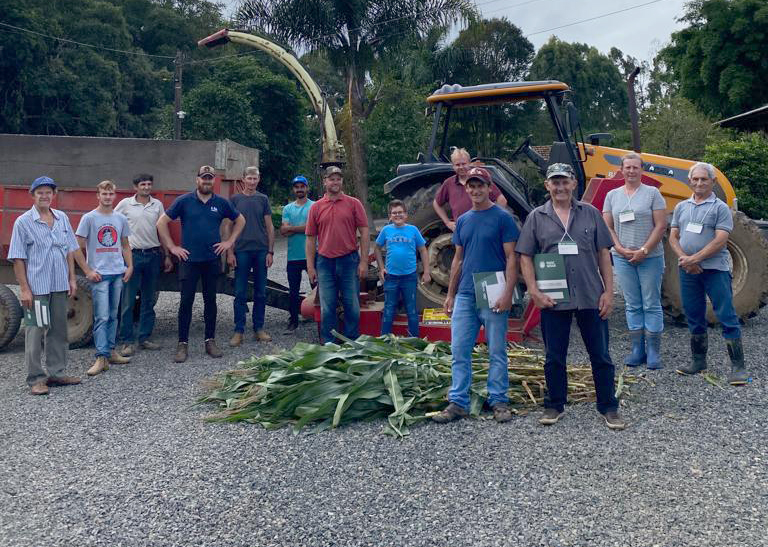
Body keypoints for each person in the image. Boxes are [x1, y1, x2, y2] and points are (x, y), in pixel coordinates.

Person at [517, 163, 626, 430]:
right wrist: (534, 291)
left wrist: (609, 292)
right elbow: (525, 256)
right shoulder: (536, 217)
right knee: (554, 355)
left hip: (590, 295)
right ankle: (554, 405)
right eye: (555, 182)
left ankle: (609, 407)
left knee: (600, 355)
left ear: (574, 183)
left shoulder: (590, 214)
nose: (560, 187)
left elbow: (603, 254)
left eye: (564, 181)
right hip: (553, 299)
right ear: (547, 186)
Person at [431, 167, 519, 424]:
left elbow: (512, 257)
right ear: (466, 188)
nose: (476, 190)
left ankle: (498, 400)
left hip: (493, 288)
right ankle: (458, 402)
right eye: (471, 185)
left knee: (496, 350)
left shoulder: (502, 218)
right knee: (460, 349)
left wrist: (507, 292)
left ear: (489, 188)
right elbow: (457, 259)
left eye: (480, 185)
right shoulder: (464, 220)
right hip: (467, 293)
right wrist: (450, 294)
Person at [8, 176, 95, 395]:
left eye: (48, 192)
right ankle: (36, 378)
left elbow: (69, 250)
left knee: (59, 329)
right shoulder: (24, 222)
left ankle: (56, 373)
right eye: (40, 193)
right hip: (36, 288)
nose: (45, 196)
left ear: (53, 195)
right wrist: (25, 289)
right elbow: (18, 259)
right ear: (33, 195)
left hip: (59, 285)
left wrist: (72, 279)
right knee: (35, 331)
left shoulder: (62, 218)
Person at [669, 162, 748, 385]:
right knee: (693, 314)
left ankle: (738, 367)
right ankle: (698, 361)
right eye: (696, 179)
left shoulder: (720, 208)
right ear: (690, 181)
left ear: (712, 181)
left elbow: (721, 239)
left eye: (704, 179)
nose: (699, 183)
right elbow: (673, 237)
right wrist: (686, 259)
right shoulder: (682, 207)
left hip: (715, 270)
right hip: (688, 270)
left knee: (726, 314)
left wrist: (696, 258)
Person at [157, 165, 245, 362]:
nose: (206, 181)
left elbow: (240, 220)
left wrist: (229, 242)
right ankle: (182, 344)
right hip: (189, 261)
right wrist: (172, 247)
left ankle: (210, 340)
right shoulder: (184, 201)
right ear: (197, 180)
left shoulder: (221, 203)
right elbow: (161, 223)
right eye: (203, 178)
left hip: (211, 260)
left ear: (214, 181)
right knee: (186, 302)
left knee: (210, 302)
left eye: (210, 178)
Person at [602, 152, 668, 369]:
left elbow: (661, 225)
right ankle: (637, 349)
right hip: (622, 257)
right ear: (621, 169)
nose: (631, 171)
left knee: (651, 302)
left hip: (650, 257)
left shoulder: (653, 194)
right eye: (627, 167)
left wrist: (644, 250)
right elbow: (608, 226)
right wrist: (618, 248)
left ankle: (653, 351)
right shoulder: (612, 195)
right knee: (632, 303)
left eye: (635, 167)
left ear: (642, 170)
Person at [305, 166, 369, 344]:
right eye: (331, 179)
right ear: (325, 182)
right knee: (328, 307)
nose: (335, 182)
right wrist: (310, 267)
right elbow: (310, 239)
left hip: (349, 260)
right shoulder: (316, 207)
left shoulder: (354, 203)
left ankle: (351, 341)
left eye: (338, 179)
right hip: (325, 262)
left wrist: (363, 262)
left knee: (352, 305)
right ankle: (329, 345)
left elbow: (364, 232)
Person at [75, 180, 134, 376]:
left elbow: (125, 245)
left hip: (117, 273)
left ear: (114, 196)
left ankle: (110, 351)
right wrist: (87, 270)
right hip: (99, 275)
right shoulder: (89, 218)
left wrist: (129, 266)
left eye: (111, 194)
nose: (108, 197)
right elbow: (76, 247)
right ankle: (100, 357)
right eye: (104, 194)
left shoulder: (120, 218)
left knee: (113, 315)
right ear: (98, 196)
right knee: (101, 317)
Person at [115, 173, 172, 356]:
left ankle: (145, 338)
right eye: (143, 184)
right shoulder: (125, 204)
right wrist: (118, 252)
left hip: (153, 255)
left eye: (149, 184)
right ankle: (127, 341)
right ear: (135, 187)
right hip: (133, 256)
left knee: (148, 300)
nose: (146, 187)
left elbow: (162, 229)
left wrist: (167, 255)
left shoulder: (157, 205)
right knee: (128, 301)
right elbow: (112, 224)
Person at [226, 166, 275, 346]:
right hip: (241, 251)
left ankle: (259, 328)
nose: (252, 182)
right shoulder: (235, 199)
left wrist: (270, 251)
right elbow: (228, 227)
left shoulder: (263, 199)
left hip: (261, 250)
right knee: (239, 292)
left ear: (258, 179)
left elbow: (269, 227)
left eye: (255, 179)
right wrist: (229, 251)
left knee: (260, 292)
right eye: (249, 178)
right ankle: (239, 331)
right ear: (243, 179)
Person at [374, 200, 431, 337]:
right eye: (394, 213)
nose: (397, 215)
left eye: (400, 212)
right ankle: (385, 340)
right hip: (391, 277)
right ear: (390, 216)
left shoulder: (413, 230)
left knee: (411, 310)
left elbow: (423, 250)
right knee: (389, 309)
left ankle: (414, 340)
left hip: (409, 276)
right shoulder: (386, 230)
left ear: (406, 215)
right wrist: (381, 268)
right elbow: (377, 248)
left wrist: (427, 272)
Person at [432, 147, 507, 232]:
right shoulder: (449, 183)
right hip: (462, 230)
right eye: (457, 165)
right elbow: (436, 203)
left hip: (483, 228)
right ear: (453, 166)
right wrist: (448, 223)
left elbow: (502, 200)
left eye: (463, 164)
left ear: (469, 163)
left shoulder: (481, 179)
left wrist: (493, 220)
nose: (461, 167)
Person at [280, 175, 315, 334]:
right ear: (294, 189)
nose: (299, 189)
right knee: (293, 290)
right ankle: (293, 320)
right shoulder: (287, 208)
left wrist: (292, 229)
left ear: (307, 188)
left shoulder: (315, 206)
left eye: (302, 186)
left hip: (313, 254)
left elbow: (314, 228)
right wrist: (306, 228)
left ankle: (318, 317)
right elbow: (283, 231)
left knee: (318, 288)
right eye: (296, 187)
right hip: (293, 256)